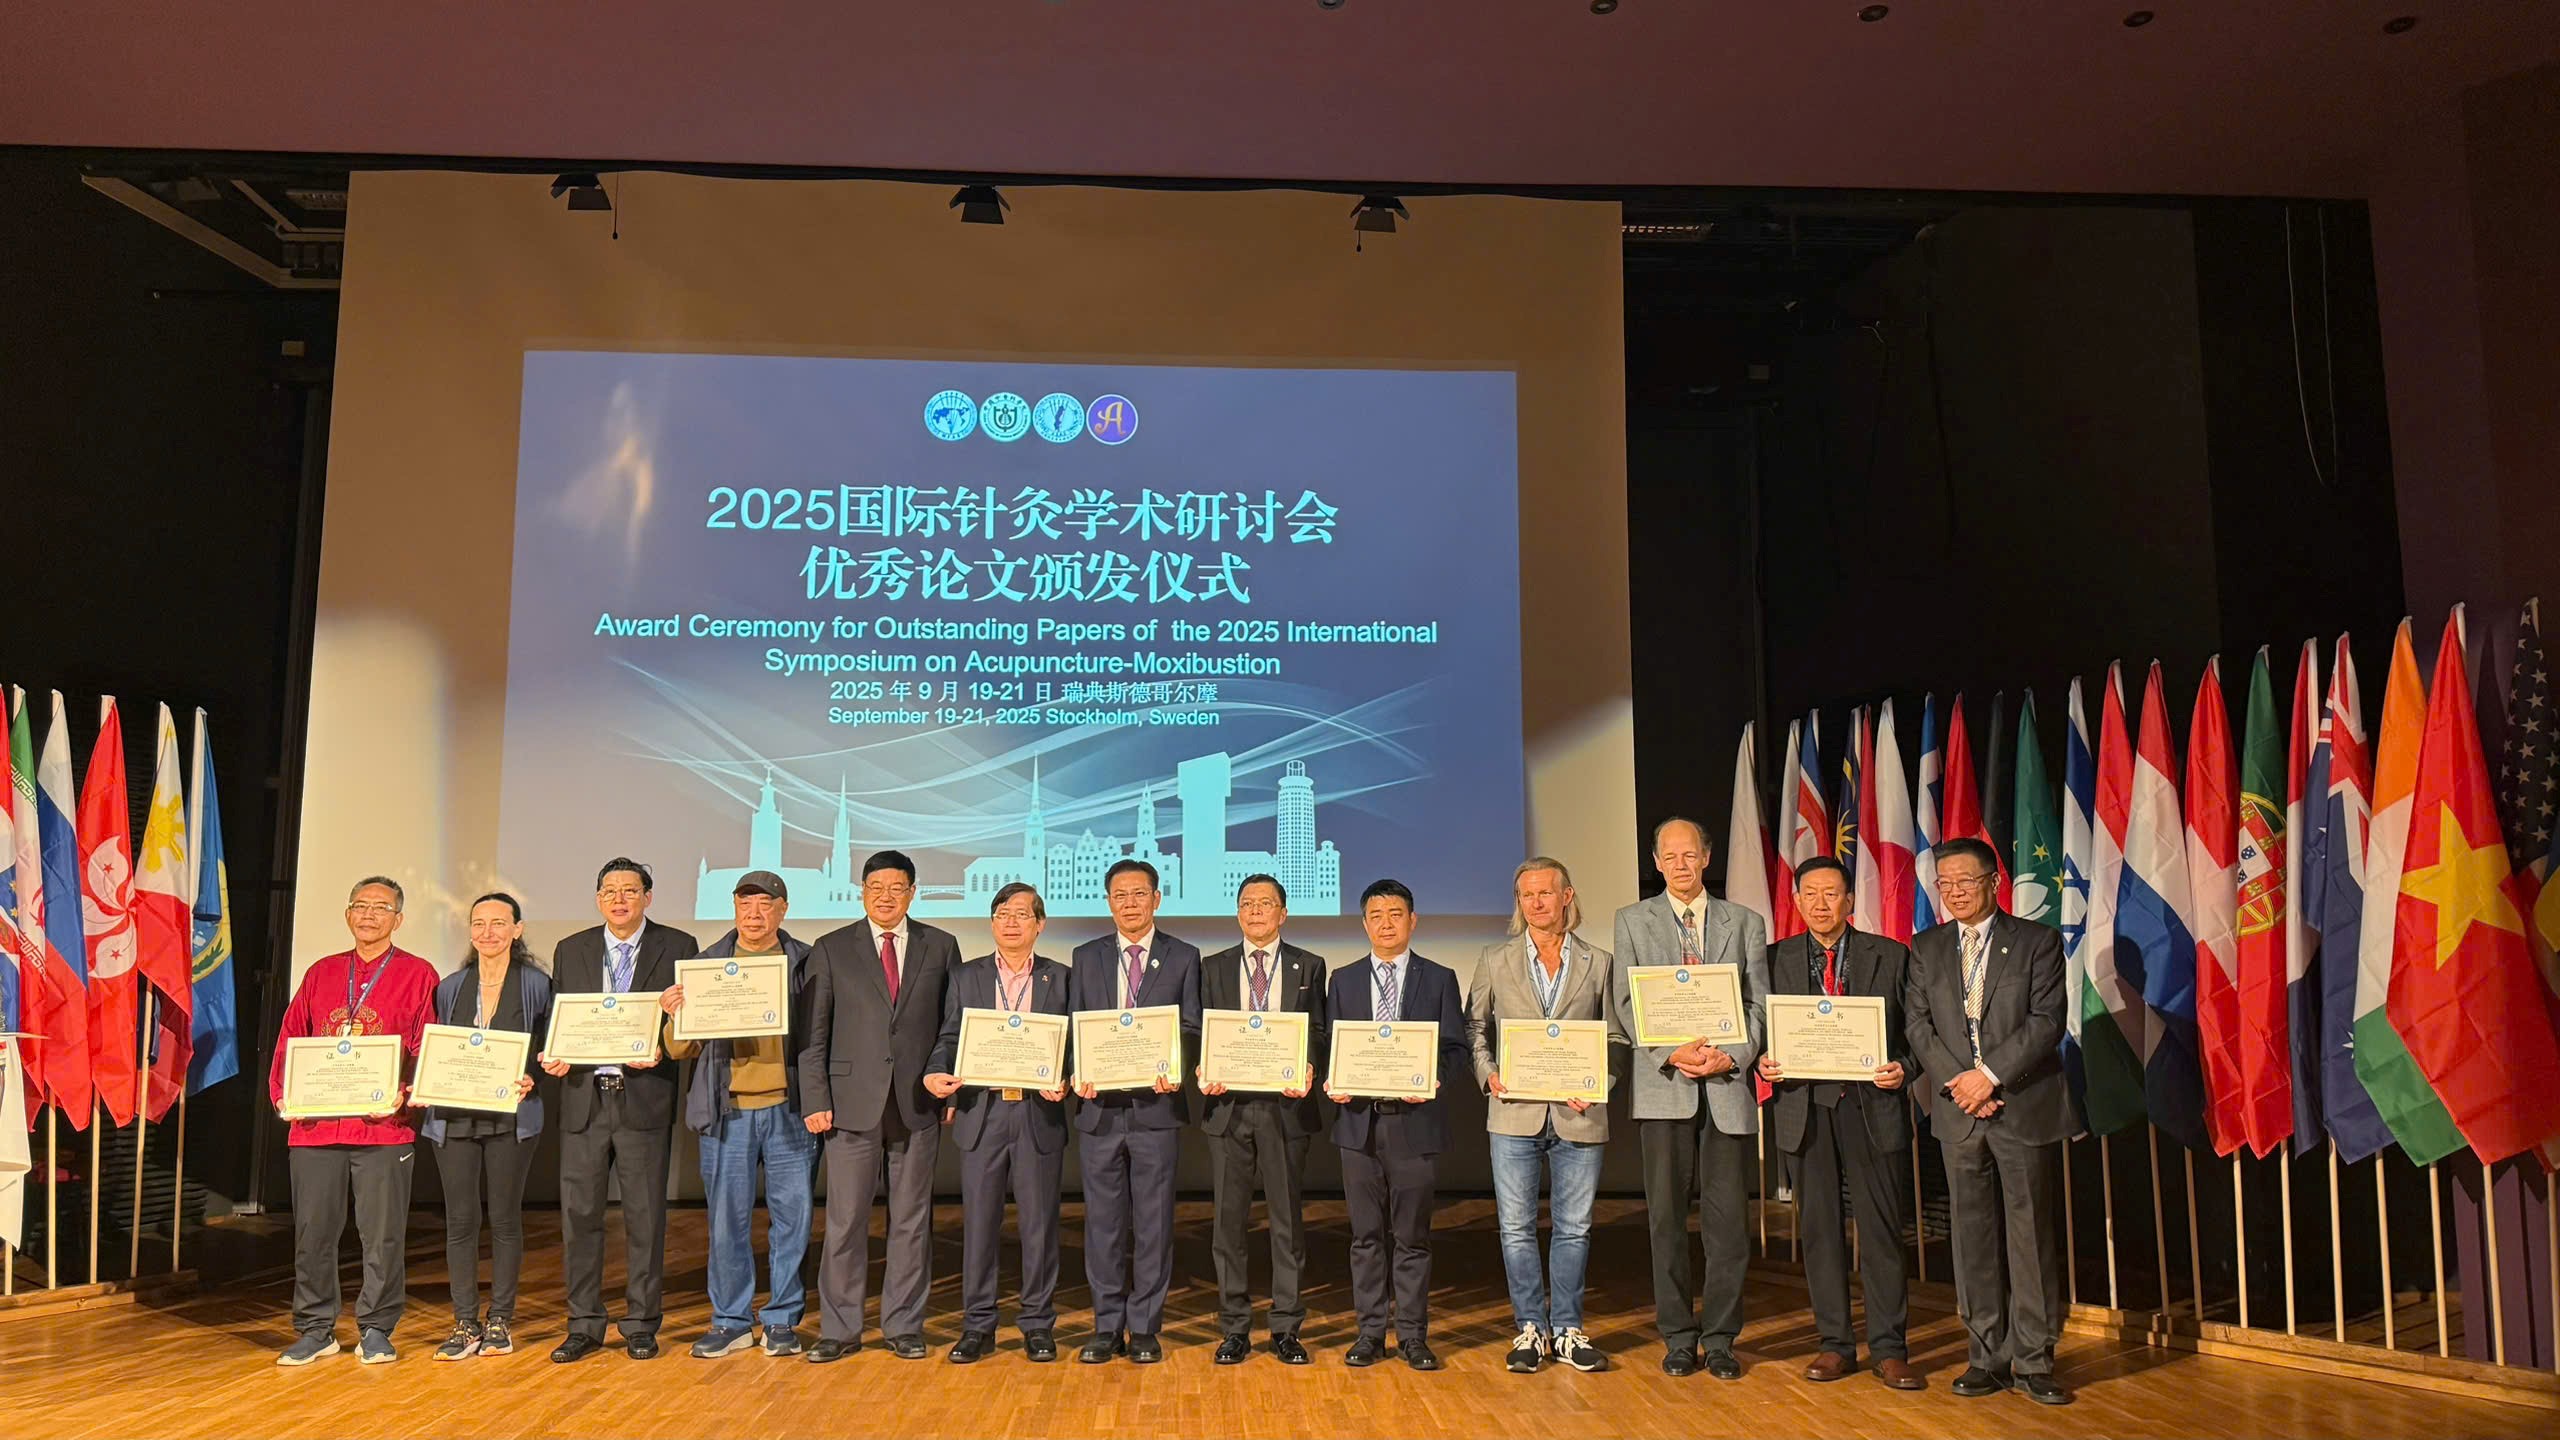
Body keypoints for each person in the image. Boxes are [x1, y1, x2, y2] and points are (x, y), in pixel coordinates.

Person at [1905, 836, 2073, 1406]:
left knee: (2029, 1235)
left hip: (2020, 1107)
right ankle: (1985, 1357)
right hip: (1960, 1111)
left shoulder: (2036, 941)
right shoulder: (1926, 946)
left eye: (1966, 881)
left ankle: (2034, 1361)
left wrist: (1990, 1077)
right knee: (1971, 1236)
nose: (1955, 892)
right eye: (1945, 884)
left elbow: (2046, 1021)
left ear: (1994, 882)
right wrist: (1961, 1083)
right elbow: (1918, 1025)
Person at [1608, 816, 1769, 1379]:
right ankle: (1678, 1336)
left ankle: (1721, 1339)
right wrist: (1669, 1052)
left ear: (1706, 857)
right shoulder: (1632, 921)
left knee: (1729, 1226)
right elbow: (1625, 1002)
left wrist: (1733, 1056)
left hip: (1726, 1087)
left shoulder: (1744, 922)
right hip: (1664, 1087)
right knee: (1666, 1221)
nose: (1680, 864)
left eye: (1690, 854)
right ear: (1656, 863)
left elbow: (1758, 1003)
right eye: (1669, 856)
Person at [1754, 857, 1922, 1390]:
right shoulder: (1772, 959)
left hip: (1871, 1105)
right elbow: (1756, 1030)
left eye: (1831, 894)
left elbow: (1918, 1032)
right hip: (1804, 1108)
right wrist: (1760, 1060)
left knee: (1881, 1231)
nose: (1821, 904)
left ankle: (1890, 1349)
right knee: (1819, 1231)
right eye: (1810, 894)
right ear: (1796, 902)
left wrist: (1905, 1068)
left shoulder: (1891, 955)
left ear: (1850, 900)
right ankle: (1834, 1344)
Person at [270, 875, 440, 1366]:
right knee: (313, 1233)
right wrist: (285, 1097)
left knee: (381, 1235)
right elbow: (290, 1040)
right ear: (348, 914)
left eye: (381, 907)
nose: (369, 914)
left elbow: (425, 1044)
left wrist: (403, 1094)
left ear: (398, 920)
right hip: (316, 1128)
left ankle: (377, 1328)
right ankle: (315, 1328)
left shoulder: (418, 974)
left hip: (383, 1127)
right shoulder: (321, 972)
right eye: (360, 905)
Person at [798, 850, 957, 1363]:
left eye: (896, 887)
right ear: (862, 891)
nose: (885, 896)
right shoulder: (830, 948)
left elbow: (951, 1027)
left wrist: (948, 1088)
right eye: (876, 887)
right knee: (845, 1222)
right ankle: (839, 1329)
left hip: (917, 1103)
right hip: (849, 1105)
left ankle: (904, 1325)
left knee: (911, 1220)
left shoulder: (941, 945)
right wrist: (816, 1097)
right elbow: (813, 1034)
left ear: (912, 893)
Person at [542, 857, 698, 1363]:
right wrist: (556, 1054)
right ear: (598, 899)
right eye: (609, 890)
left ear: (647, 897)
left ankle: (641, 1323)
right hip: (583, 1098)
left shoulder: (678, 946)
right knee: (580, 1217)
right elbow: (561, 1018)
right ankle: (583, 1323)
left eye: (630, 890)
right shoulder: (572, 949)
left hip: (644, 1095)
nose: (619, 899)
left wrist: (664, 1042)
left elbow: (688, 1024)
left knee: (645, 1218)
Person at [664, 871, 818, 1360]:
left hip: (790, 1109)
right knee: (726, 1222)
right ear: (733, 907)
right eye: (745, 903)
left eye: (765, 904)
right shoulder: (705, 964)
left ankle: (781, 1319)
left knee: (792, 1221)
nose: (754, 914)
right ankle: (731, 1320)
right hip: (726, 1111)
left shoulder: (807, 962)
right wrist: (674, 1013)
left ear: (783, 909)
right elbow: (680, 1049)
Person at [1470, 857, 1615, 1375]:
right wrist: (1488, 1073)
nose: (1535, 902)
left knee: (1574, 1229)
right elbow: (1475, 1028)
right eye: (1526, 894)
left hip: (1580, 1114)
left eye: (1545, 892)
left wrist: (1598, 1084)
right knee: (1515, 1229)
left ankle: (1569, 1329)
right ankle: (1530, 1328)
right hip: (1514, 1113)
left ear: (1566, 896)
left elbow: (1616, 1035)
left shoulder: (1600, 962)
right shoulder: (1495, 959)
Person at [923, 882, 1072, 1364]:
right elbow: (949, 1037)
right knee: (980, 1227)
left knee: (1039, 1227)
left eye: (1022, 914)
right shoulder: (967, 975)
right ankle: (978, 1325)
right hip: (981, 1113)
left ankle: (1037, 1324)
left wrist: (1066, 1076)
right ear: (991, 923)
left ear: (1039, 925)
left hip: (1036, 1113)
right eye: (1002, 913)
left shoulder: (1061, 978)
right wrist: (935, 1072)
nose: (1011, 922)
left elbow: (1073, 1043)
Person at [1325, 878, 1468, 1372]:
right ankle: (1369, 1333)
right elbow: (1332, 1046)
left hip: (1414, 1124)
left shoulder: (1440, 978)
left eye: (1395, 914)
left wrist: (1433, 1078)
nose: (1386, 924)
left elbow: (1455, 1049)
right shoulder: (1342, 980)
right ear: (1364, 924)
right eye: (1376, 915)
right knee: (1364, 1237)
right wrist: (1334, 1078)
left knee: (1412, 1237)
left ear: (1413, 920)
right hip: (1358, 1127)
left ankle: (1411, 1335)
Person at [1067, 858, 1202, 1365]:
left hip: (1156, 1109)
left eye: (1139, 894)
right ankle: (1106, 1327)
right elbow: (1076, 1025)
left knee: (1153, 1224)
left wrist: (1175, 1066)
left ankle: (1144, 1327)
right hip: (1099, 1111)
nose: (1130, 903)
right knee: (1102, 1225)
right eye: (1120, 895)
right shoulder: (1086, 956)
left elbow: (1191, 1026)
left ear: (1157, 899)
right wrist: (1078, 1070)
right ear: (1108, 902)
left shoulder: (1184, 956)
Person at [1198, 874, 1328, 1366]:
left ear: (1283, 913)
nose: (1255, 911)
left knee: (1287, 1224)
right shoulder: (1213, 966)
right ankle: (1234, 1328)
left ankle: (1286, 1328)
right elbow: (1202, 1031)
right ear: (1237, 913)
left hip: (1285, 1110)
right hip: (1228, 1108)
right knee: (1228, 1226)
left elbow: (1319, 1030)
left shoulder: (1309, 965)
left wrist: (1310, 1065)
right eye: (1247, 903)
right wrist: (1202, 1067)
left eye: (1265, 903)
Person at [421, 892, 551, 1362]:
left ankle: (500, 1320)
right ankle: (464, 1322)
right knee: (459, 1221)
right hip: (453, 1117)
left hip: (511, 1118)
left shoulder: (537, 985)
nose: (488, 932)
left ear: (517, 930)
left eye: (499, 923)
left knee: (504, 1218)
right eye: (479, 923)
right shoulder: (451, 987)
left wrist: (533, 1076)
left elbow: (549, 1046)